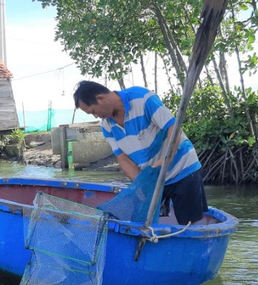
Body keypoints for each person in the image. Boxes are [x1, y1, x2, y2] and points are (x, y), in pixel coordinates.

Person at [73, 80, 208, 225]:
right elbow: (123, 159)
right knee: (141, 222)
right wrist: (141, 185)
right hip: (152, 179)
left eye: (93, 111)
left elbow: (173, 128)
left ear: (100, 99)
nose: (95, 116)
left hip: (182, 168)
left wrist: (166, 160)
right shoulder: (107, 126)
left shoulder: (142, 98)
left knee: (190, 224)